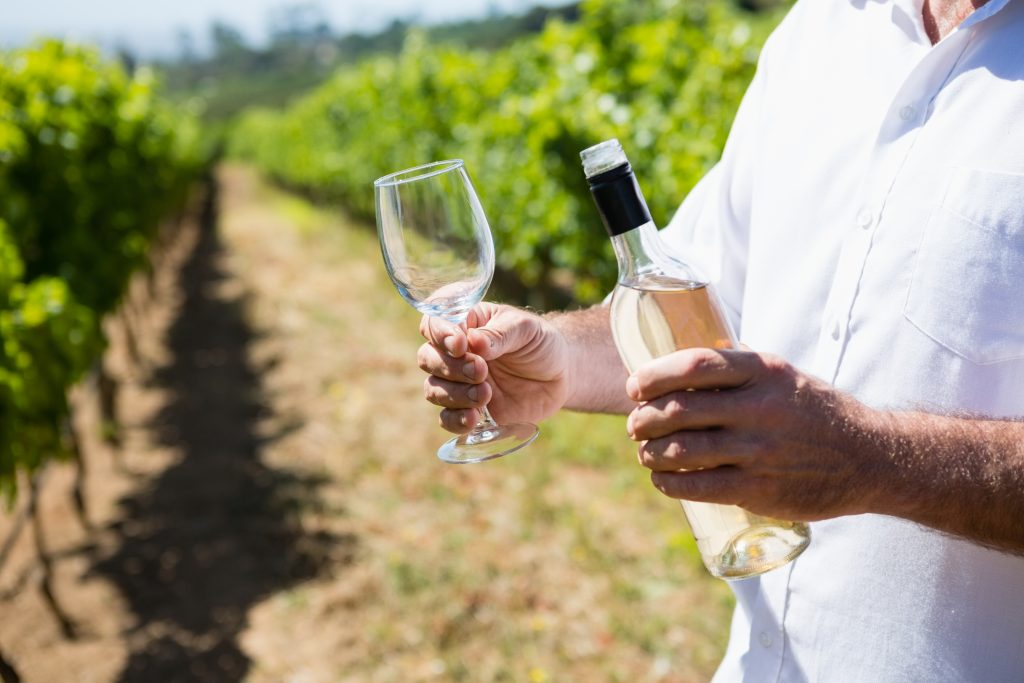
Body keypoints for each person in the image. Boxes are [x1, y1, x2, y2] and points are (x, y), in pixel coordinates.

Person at [417, 0, 1024, 678]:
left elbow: (855, 447)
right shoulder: (817, 32)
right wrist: (558, 359)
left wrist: (871, 458)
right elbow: (694, 307)